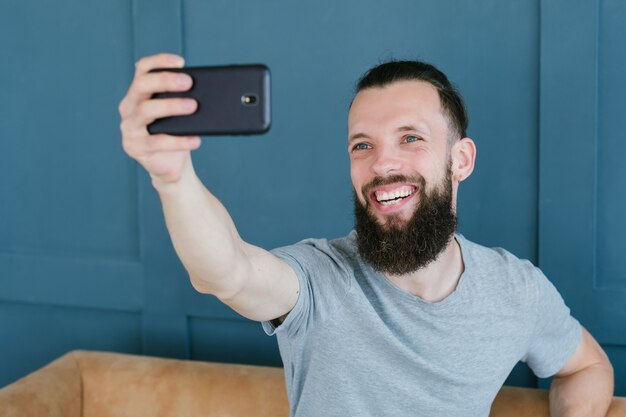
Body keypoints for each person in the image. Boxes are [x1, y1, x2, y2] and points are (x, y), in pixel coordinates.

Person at [119, 53, 614, 417]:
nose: (382, 163)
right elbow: (226, 273)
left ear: (460, 160)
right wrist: (172, 177)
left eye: (411, 138)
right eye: (362, 145)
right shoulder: (318, 280)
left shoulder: (516, 291)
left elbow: (587, 367)